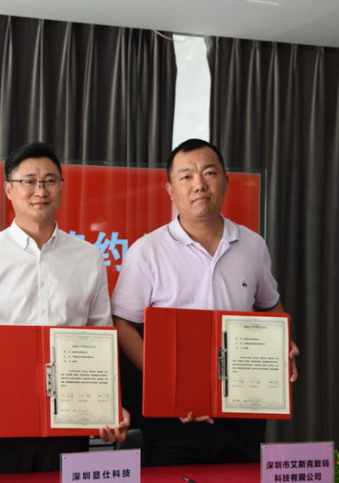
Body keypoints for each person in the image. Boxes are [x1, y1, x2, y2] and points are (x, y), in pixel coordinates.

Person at [112, 138, 299, 466]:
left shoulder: (252, 244)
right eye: (186, 176)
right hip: (175, 412)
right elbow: (123, 323)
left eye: (209, 173)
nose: (199, 184)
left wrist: (282, 345)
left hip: (243, 403)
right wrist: (164, 380)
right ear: (170, 190)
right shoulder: (148, 250)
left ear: (226, 181)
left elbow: (271, 306)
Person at [0, 142, 129, 474]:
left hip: (70, 412)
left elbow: (101, 336)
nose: (40, 191)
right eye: (28, 181)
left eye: (50, 181)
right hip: (0, 412)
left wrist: (108, 404)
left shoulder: (88, 257)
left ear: (61, 186)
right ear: (9, 189)